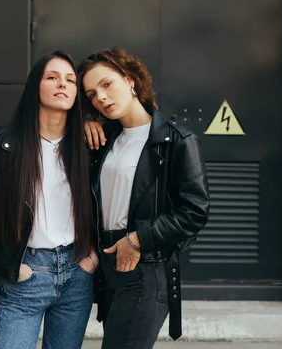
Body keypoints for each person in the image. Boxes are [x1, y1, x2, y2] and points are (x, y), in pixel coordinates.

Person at [0, 51, 98, 349]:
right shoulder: (1, 145)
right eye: (52, 77)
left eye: (70, 80)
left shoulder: (88, 146)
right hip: (25, 274)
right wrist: (4, 265)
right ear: (36, 86)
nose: (63, 84)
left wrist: (92, 260)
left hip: (77, 274)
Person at [78, 48, 210, 349]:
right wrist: (84, 120)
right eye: (91, 94)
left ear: (130, 81)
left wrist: (139, 238)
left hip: (146, 266)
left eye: (107, 84)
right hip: (108, 266)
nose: (100, 97)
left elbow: (195, 211)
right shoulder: (104, 139)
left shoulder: (177, 140)